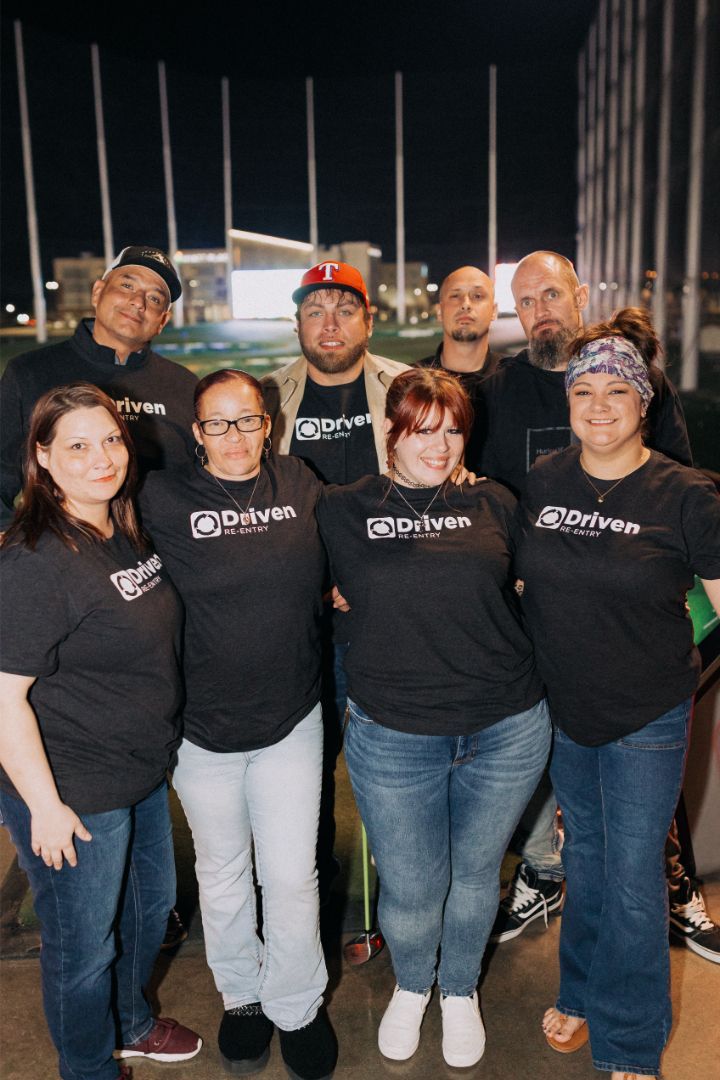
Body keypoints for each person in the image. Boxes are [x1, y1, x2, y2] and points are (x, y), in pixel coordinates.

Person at [479, 254, 715, 960]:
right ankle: (564, 933)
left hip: (640, 670)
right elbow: (500, 529)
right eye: (524, 301)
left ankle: (638, 1011)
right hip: (553, 664)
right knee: (576, 827)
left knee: (636, 848)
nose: (540, 308)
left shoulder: (669, 452)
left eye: (552, 292)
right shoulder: (522, 432)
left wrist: (661, 616)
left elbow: (688, 518)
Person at [316, 368, 550, 1069]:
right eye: (424, 430)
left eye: (453, 431)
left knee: (477, 875)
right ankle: (413, 985)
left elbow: (532, 589)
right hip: (394, 733)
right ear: (391, 431)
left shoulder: (495, 503)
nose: (441, 446)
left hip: (506, 724)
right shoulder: (340, 507)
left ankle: (458, 989)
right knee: (415, 886)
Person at [513, 310, 720, 1080]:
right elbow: (525, 579)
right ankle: (581, 990)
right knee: (588, 860)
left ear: (644, 403)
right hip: (567, 711)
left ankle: (630, 1041)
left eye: (616, 392)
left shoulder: (687, 494)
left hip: (648, 716)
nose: (598, 406)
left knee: (633, 876)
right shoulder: (543, 481)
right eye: (583, 391)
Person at [138, 369, 336, 1080]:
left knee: (291, 876)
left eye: (246, 420)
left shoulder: (299, 481)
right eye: (217, 424)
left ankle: (298, 1003)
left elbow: (354, 538)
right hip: (199, 727)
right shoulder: (161, 497)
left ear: (268, 423)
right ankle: (243, 998)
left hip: (290, 716)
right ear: (196, 433)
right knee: (223, 874)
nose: (234, 437)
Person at [0, 383, 201, 1080]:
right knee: (82, 948)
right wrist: (44, 808)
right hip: (73, 788)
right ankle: (88, 1066)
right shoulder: (35, 559)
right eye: (77, 445)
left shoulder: (117, 526)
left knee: (149, 915)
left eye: (110, 439)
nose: (101, 457)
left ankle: (132, 1023)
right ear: (43, 458)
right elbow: (3, 698)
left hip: (138, 771)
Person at [262, 261, 408, 898]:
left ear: (368, 321)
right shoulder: (265, 397)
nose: (329, 322)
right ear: (296, 322)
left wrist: (367, 577)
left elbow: (432, 493)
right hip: (304, 619)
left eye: (344, 309)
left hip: (386, 613)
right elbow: (254, 511)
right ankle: (311, 882)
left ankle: (406, 883)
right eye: (315, 310)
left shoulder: (407, 387)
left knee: (397, 763)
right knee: (307, 768)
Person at [0, 245, 197, 530]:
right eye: (127, 285)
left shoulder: (184, 384)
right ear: (97, 292)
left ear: (162, 321)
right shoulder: (29, 373)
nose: (138, 301)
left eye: (155, 298)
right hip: (68, 556)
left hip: (164, 557)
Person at [415, 265, 501, 468]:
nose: (465, 304)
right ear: (439, 311)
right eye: (455, 296)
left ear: (494, 311)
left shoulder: (515, 379)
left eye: (478, 296)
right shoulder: (411, 381)